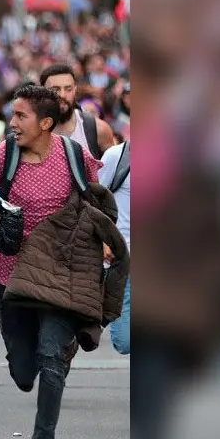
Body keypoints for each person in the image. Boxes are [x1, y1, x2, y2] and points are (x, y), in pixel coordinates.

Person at [0, 84, 103, 439]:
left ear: (46, 123)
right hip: (10, 277)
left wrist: (105, 240)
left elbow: (98, 196)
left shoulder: (75, 155)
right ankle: (38, 359)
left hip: (62, 277)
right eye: (12, 115)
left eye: (20, 116)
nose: (12, 124)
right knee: (25, 373)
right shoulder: (0, 157)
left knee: (51, 359)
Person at [40, 63, 116, 160]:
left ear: (75, 90)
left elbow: (113, 170)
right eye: (55, 90)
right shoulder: (31, 130)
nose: (62, 95)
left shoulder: (98, 129)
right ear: (42, 91)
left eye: (68, 89)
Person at [97, 138, 130, 354]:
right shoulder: (116, 156)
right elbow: (93, 200)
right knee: (125, 342)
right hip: (123, 259)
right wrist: (101, 239)